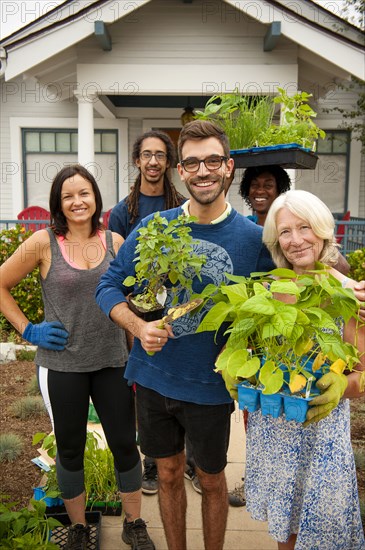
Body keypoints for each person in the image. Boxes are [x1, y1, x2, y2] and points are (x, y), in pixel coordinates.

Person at [96, 120, 275, 550]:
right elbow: (108, 286)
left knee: (213, 480)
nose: (203, 171)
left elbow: (286, 293)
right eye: (192, 162)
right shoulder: (156, 228)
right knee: (170, 473)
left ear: (229, 167)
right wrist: (138, 326)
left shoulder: (254, 240)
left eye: (213, 160)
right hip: (154, 378)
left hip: (211, 385)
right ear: (180, 171)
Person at [0, 165, 155, 550]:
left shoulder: (117, 242)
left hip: (112, 361)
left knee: (124, 442)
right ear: (59, 203)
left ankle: (133, 523)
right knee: (70, 447)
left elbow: (137, 296)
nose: (77, 201)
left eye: (84, 193)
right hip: (62, 365)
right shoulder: (42, 243)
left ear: (95, 198)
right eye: (68, 196)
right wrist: (27, 329)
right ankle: (79, 527)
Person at [244, 189, 365, 549]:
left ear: (323, 230)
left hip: (321, 432)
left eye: (304, 228)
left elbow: (361, 374)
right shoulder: (266, 291)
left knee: (324, 531)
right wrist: (239, 374)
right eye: (285, 231)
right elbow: (252, 356)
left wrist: (340, 387)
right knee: (286, 530)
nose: (295, 240)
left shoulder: (349, 294)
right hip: (276, 428)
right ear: (275, 240)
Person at [109, 130, 200, 495]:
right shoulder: (123, 212)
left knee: (189, 385)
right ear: (137, 161)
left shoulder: (180, 205)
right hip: (141, 313)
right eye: (146, 155)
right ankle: (152, 462)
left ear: (169, 163)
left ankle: (192, 462)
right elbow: (116, 272)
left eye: (160, 155)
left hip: (182, 310)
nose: (152, 161)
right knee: (144, 389)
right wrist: (131, 322)